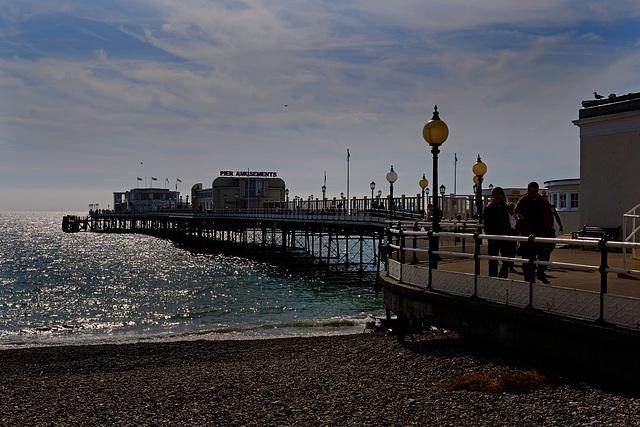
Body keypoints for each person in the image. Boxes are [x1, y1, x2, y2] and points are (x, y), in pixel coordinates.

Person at [514, 181, 555, 283]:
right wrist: (519, 216)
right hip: (527, 231)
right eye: (528, 190)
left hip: (541, 231)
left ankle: (541, 273)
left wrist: (550, 229)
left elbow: (549, 215)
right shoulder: (523, 201)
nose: (529, 193)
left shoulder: (543, 202)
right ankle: (529, 277)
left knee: (544, 254)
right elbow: (516, 211)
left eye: (531, 191)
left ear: (537, 190)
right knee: (528, 256)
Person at [483, 186, 513, 278]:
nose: (501, 195)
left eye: (502, 193)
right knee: (493, 260)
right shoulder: (489, 208)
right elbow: (487, 225)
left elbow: (507, 222)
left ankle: (503, 277)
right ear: (494, 195)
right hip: (494, 237)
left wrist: (509, 235)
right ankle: (493, 278)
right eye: (499, 193)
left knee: (506, 259)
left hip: (504, 237)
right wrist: (490, 239)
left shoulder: (504, 207)